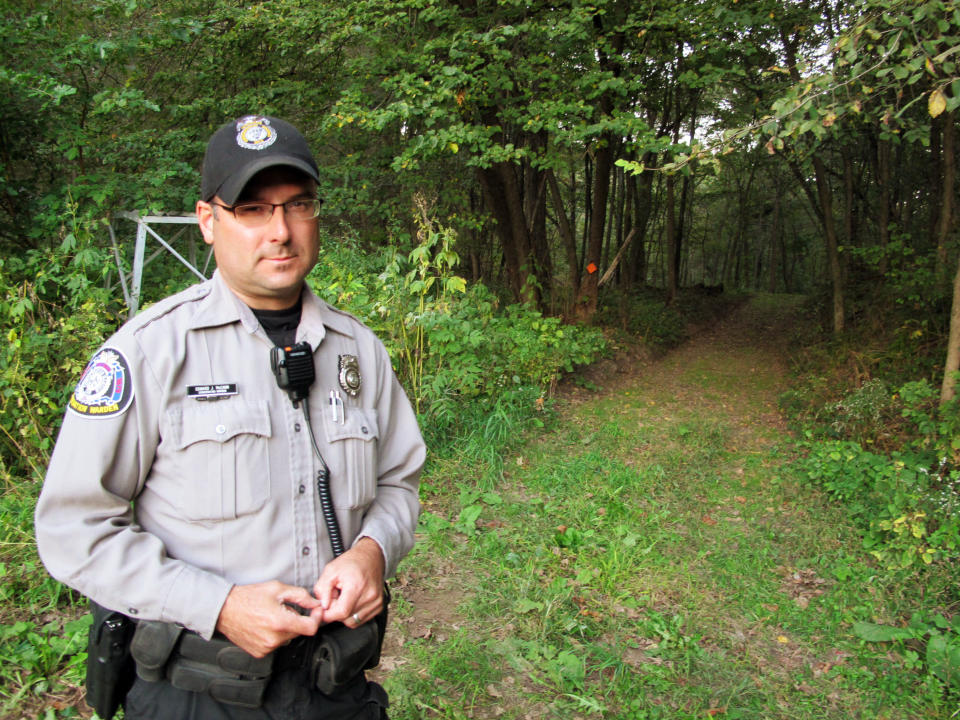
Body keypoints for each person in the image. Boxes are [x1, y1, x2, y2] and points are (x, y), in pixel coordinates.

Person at [35, 115, 425, 719]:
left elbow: (398, 482)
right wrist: (217, 605)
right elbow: (73, 528)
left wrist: (372, 550)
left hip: (333, 685)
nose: (282, 231)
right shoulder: (149, 352)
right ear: (208, 221)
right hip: (197, 694)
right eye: (252, 209)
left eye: (299, 205)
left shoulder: (358, 350)